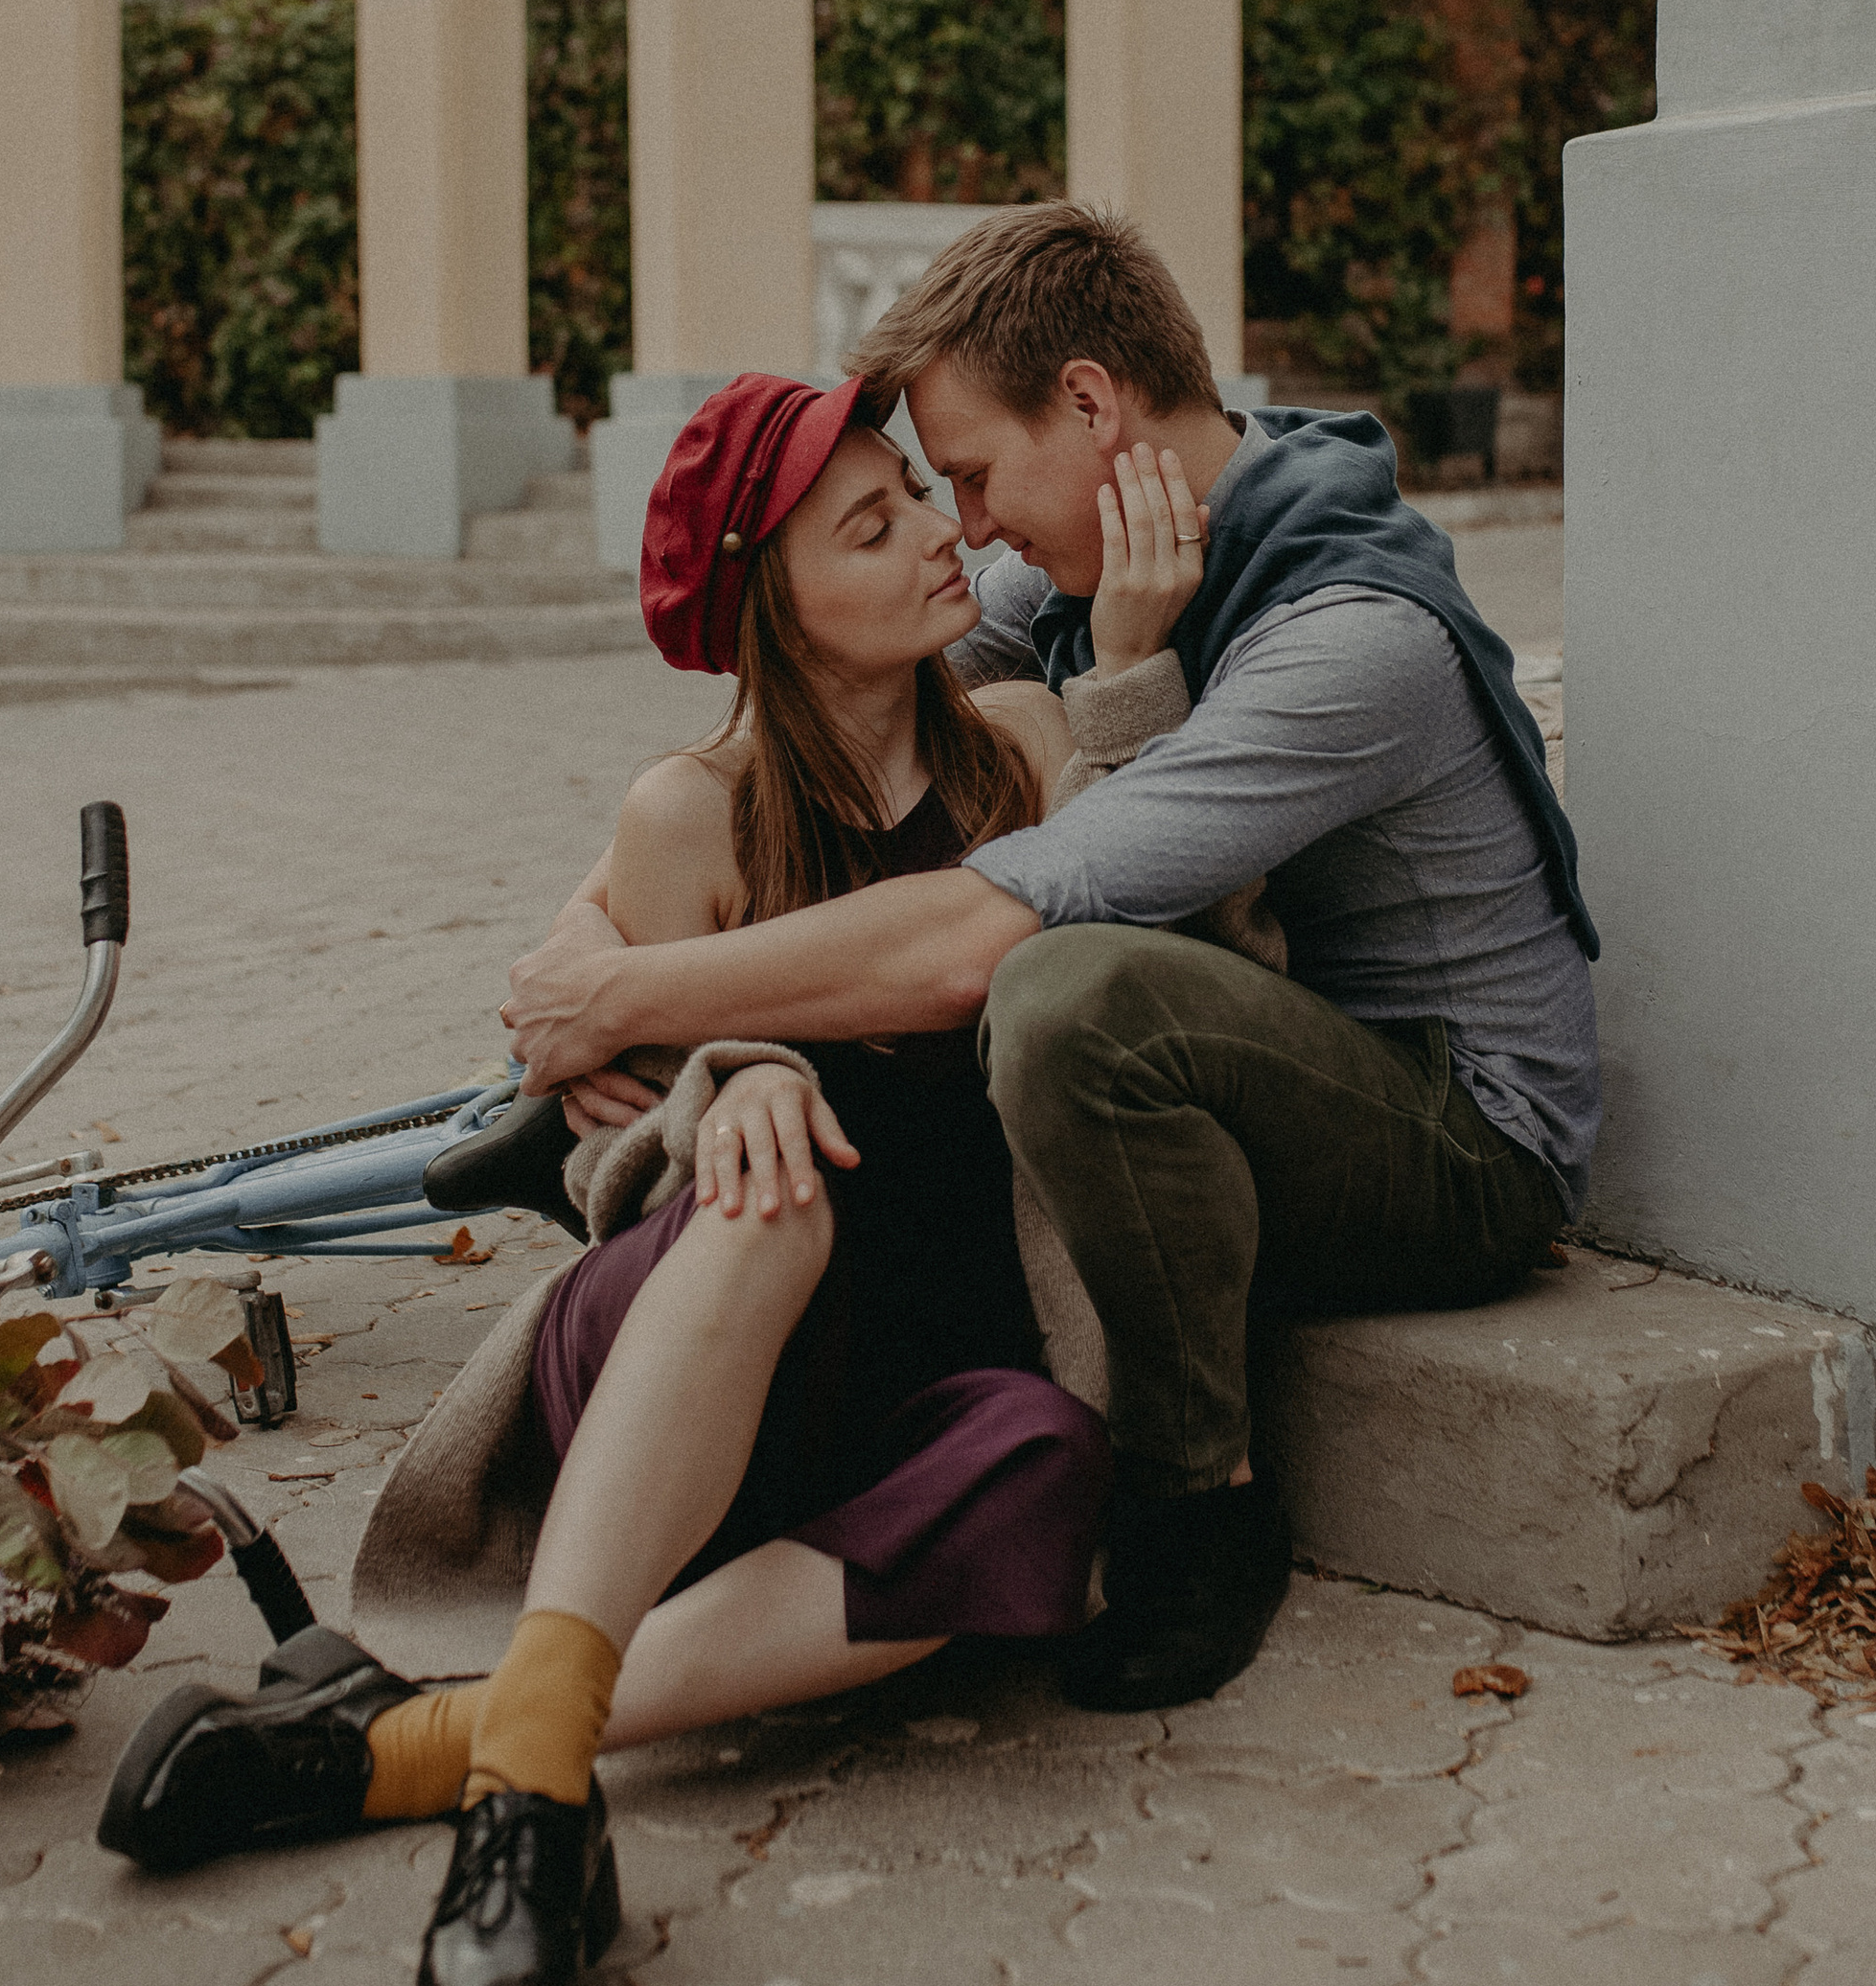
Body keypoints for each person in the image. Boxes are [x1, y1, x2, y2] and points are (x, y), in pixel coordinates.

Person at [98, 365, 1207, 1986]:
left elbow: (1177, 959)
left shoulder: (1029, 751)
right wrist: (723, 1086)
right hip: (681, 1345)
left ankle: (440, 1748)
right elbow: (581, 1068)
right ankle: (534, 1833)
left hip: (915, 1384)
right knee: (774, 1193)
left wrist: (1134, 660)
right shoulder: (689, 813)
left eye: (921, 490)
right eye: (875, 522)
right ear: (775, 597)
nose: (941, 532)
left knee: (1051, 1468)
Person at [506, 202, 1603, 1726]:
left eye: (963, 475)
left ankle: (1197, 1494)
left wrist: (624, 1000)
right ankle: (542, 1700)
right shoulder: (1083, 556)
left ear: (1089, 404)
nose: (966, 523)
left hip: (1457, 1135)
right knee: (1042, 1015)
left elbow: (982, 935)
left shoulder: (1350, 640)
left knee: (1065, 996)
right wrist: (591, 933)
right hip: (1256, 1051)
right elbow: (800, 742)